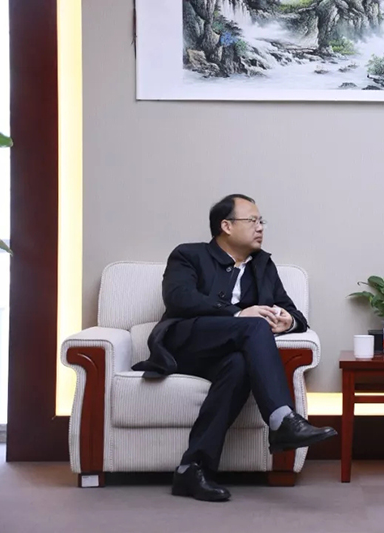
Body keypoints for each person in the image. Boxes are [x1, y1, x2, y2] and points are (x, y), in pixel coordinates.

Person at [134, 194, 337, 501]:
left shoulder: (263, 265)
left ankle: (192, 470)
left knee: (240, 366)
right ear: (226, 226)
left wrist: (288, 322)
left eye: (261, 221)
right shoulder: (188, 255)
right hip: (185, 343)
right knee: (254, 325)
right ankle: (282, 420)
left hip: (226, 353)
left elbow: (294, 313)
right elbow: (179, 298)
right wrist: (238, 314)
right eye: (252, 220)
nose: (260, 227)